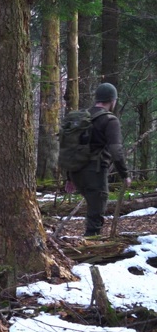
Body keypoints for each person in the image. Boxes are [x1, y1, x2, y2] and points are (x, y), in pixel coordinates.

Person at [69, 82, 131, 237]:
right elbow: (115, 149)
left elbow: (69, 147)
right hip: (94, 172)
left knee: (92, 208)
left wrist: (69, 177)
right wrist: (125, 174)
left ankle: (88, 244)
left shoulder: (81, 117)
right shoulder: (110, 120)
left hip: (76, 171)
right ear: (112, 100)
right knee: (96, 214)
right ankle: (90, 249)